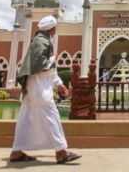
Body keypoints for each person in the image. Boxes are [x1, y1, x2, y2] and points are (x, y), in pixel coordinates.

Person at [10, 15, 82, 164]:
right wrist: (54, 57)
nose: (56, 30)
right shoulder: (41, 41)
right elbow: (41, 65)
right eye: (55, 27)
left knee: (25, 119)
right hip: (39, 88)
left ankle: (16, 152)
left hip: (33, 89)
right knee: (52, 117)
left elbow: (48, 70)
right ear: (51, 28)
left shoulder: (40, 41)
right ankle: (61, 152)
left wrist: (59, 84)